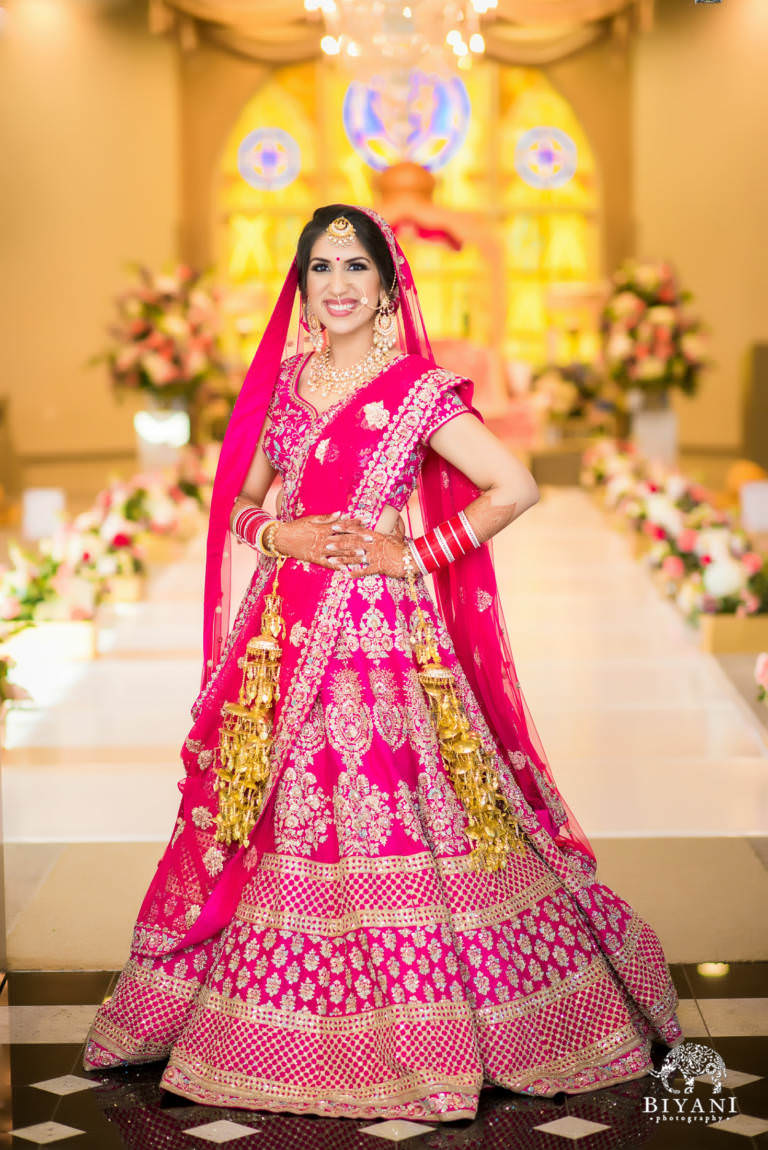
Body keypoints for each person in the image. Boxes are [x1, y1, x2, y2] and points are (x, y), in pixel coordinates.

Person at [83, 204, 682, 1122]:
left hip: (382, 644)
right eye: (321, 268)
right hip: (286, 635)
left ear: (388, 285)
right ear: (303, 285)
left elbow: (513, 486)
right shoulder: (285, 386)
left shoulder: (417, 391)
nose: (338, 286)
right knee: (276, 813)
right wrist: (280, 529)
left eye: (356, 267)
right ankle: (273, 1023)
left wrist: (414, 553)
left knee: (402, 809)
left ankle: (435, 1028)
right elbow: (238, 504)